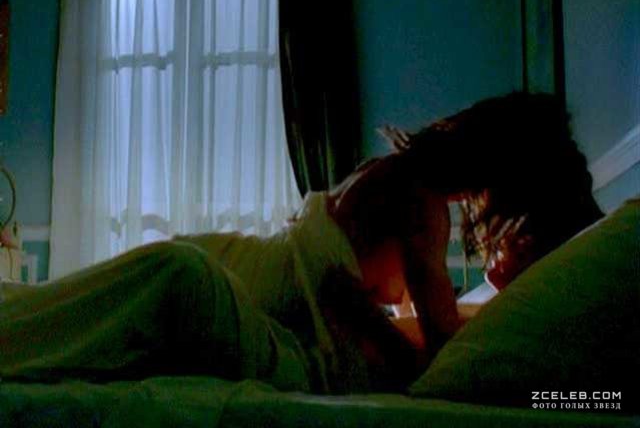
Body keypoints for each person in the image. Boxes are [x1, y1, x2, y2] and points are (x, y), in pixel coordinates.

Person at [0, 93, 602, 394]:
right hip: (253, 287)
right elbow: (441, 359)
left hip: (247, 277)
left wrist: (364, 317)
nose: (499, 244)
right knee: (161, 287)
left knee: (136, 295)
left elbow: (443, 355)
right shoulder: (421, 206)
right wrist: (365, 319)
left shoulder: (407, 187)